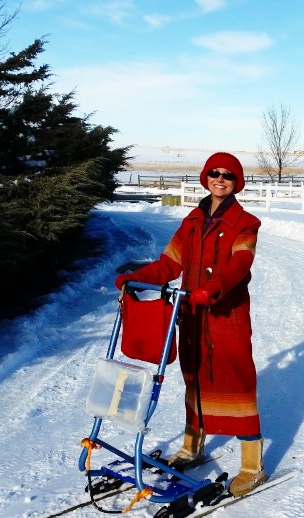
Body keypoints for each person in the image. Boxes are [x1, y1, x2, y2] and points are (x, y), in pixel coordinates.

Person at [114, 152, 266, 496]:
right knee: (194, 380)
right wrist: (134, 278)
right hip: (193, 316)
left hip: (227, 317)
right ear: (205, 177)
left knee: (237, 384)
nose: (220, 179)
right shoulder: (193, 221)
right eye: (214, 173)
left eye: (228, 175)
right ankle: (192, 447)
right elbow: (169, 263)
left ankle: (252, 466)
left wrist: (214, 287)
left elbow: (239, 263)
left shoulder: (245, 223)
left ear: (236, 181)